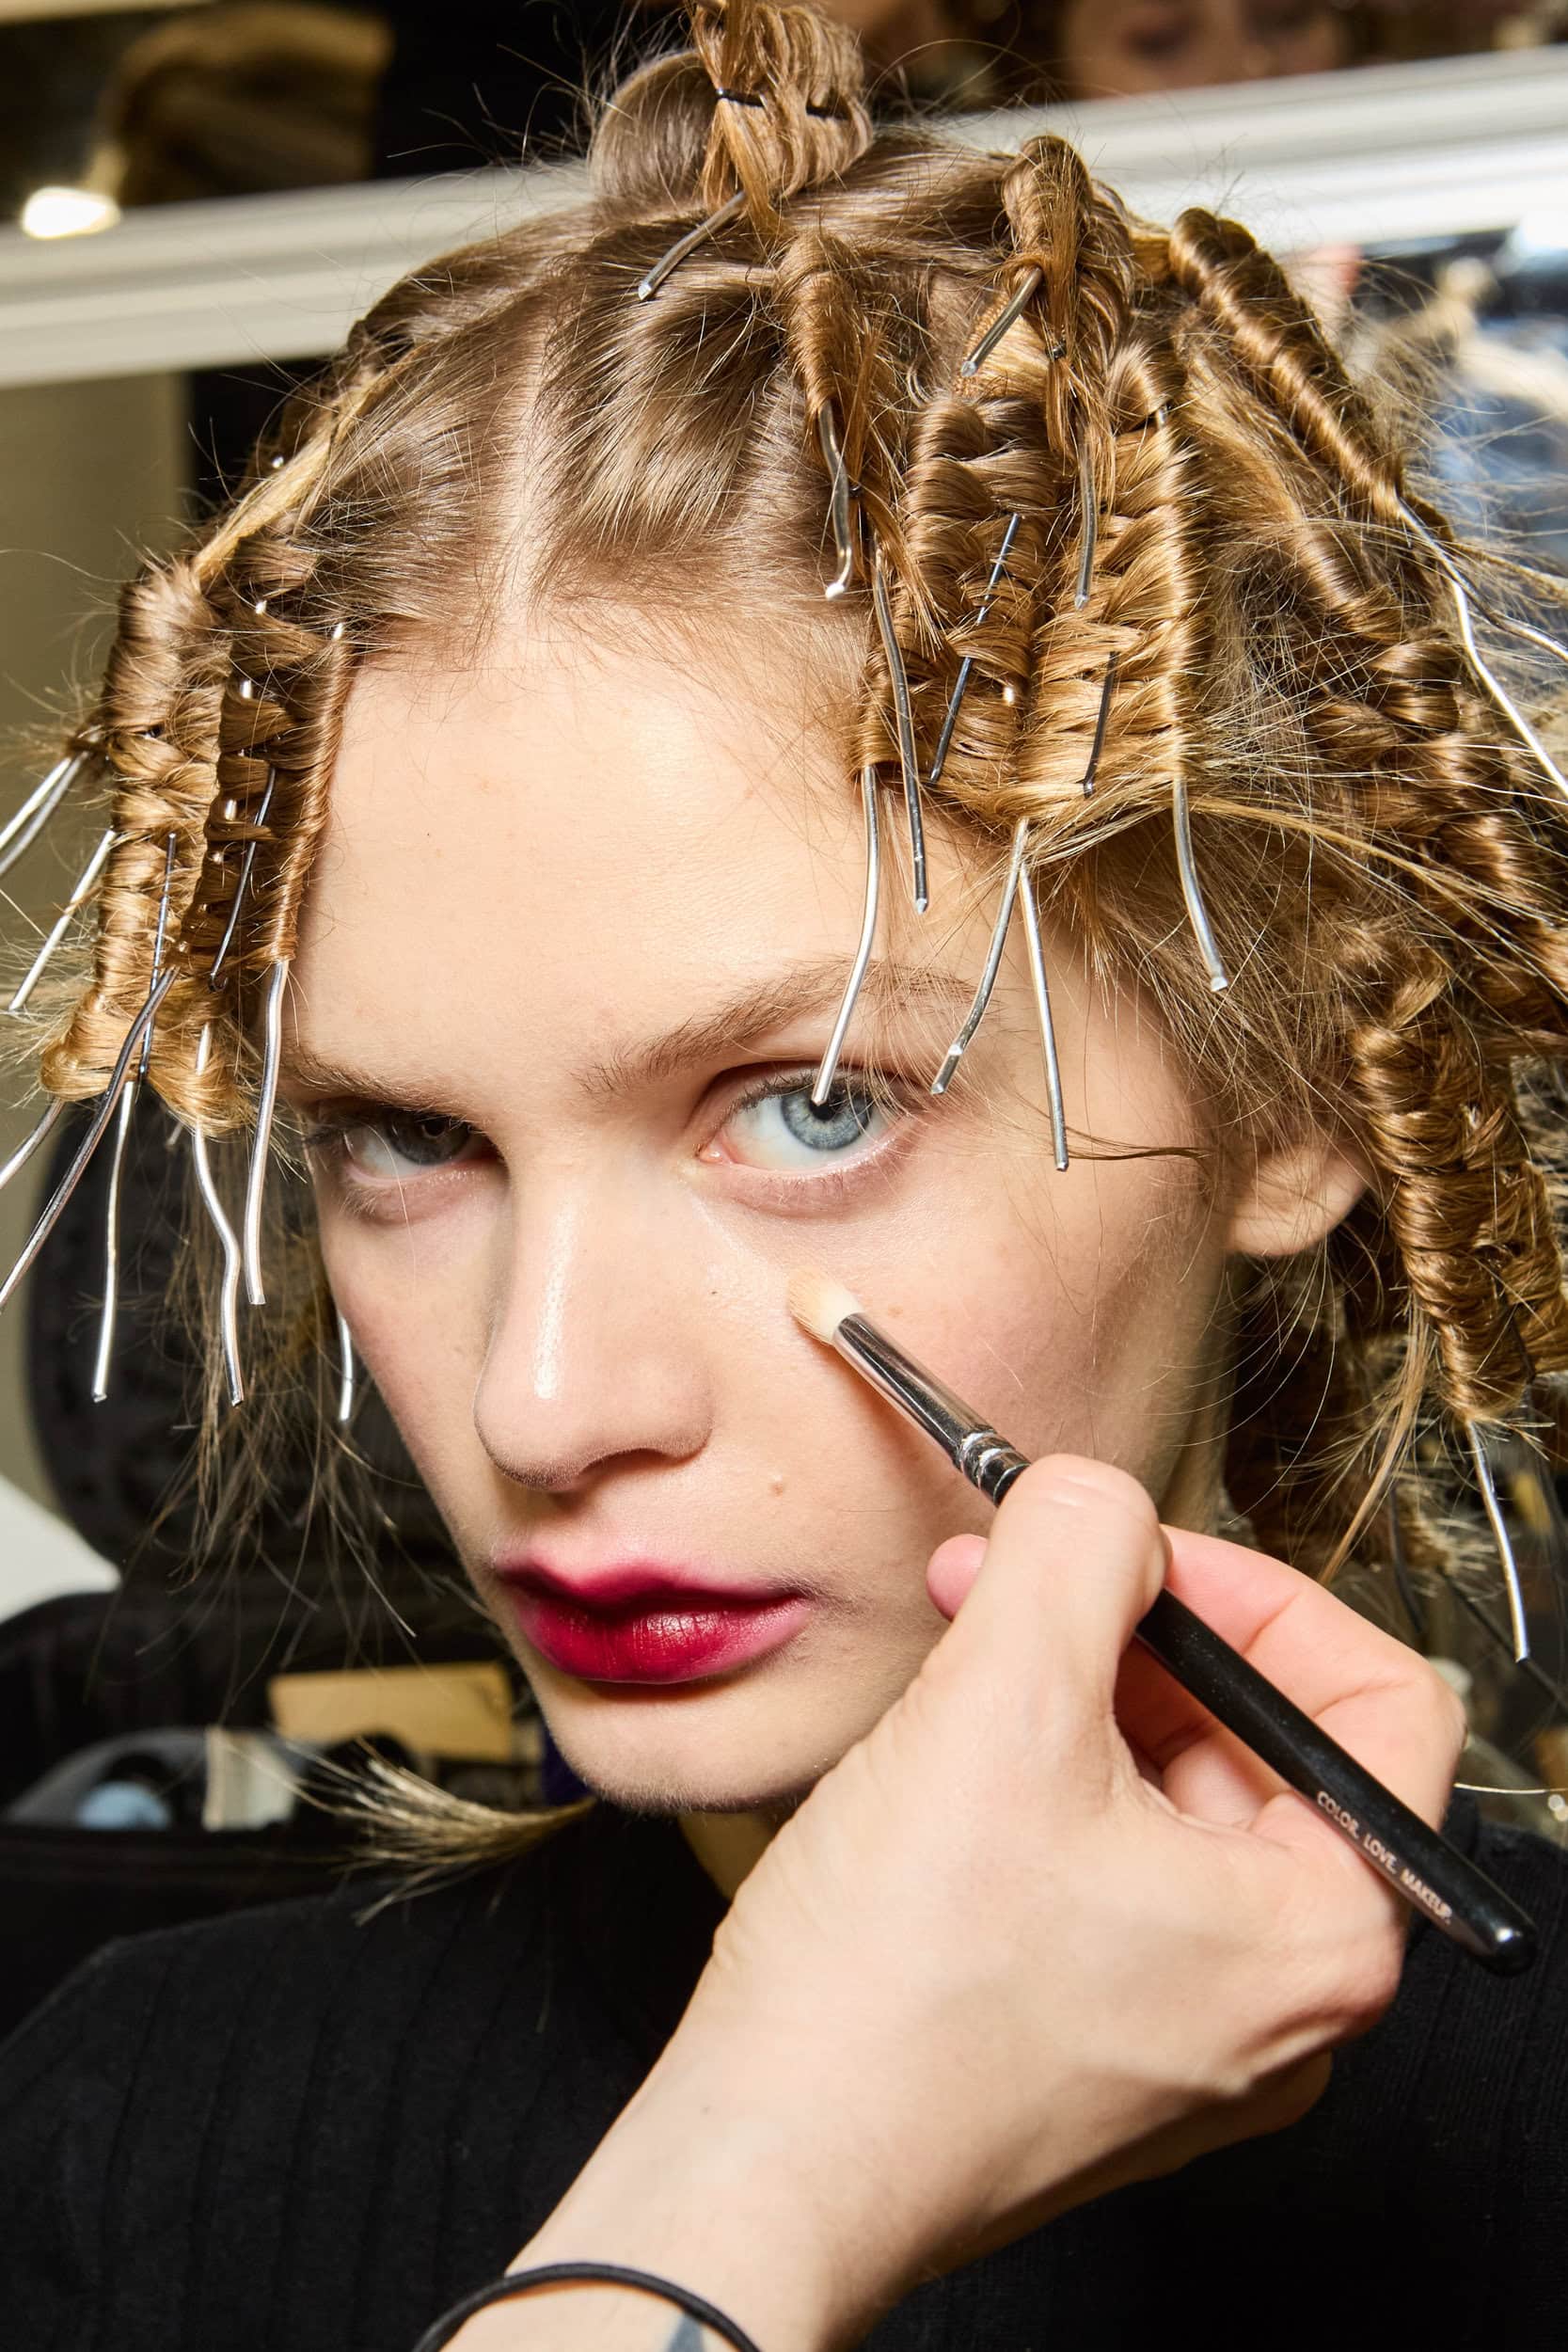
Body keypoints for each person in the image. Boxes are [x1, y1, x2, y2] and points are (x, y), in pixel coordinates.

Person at [3, 3, 1568, 2344]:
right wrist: (744, 2206)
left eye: (814, 1104)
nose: (544, 1402)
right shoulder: (132, 2146)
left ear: (1301, 1097)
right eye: (407, 1138)